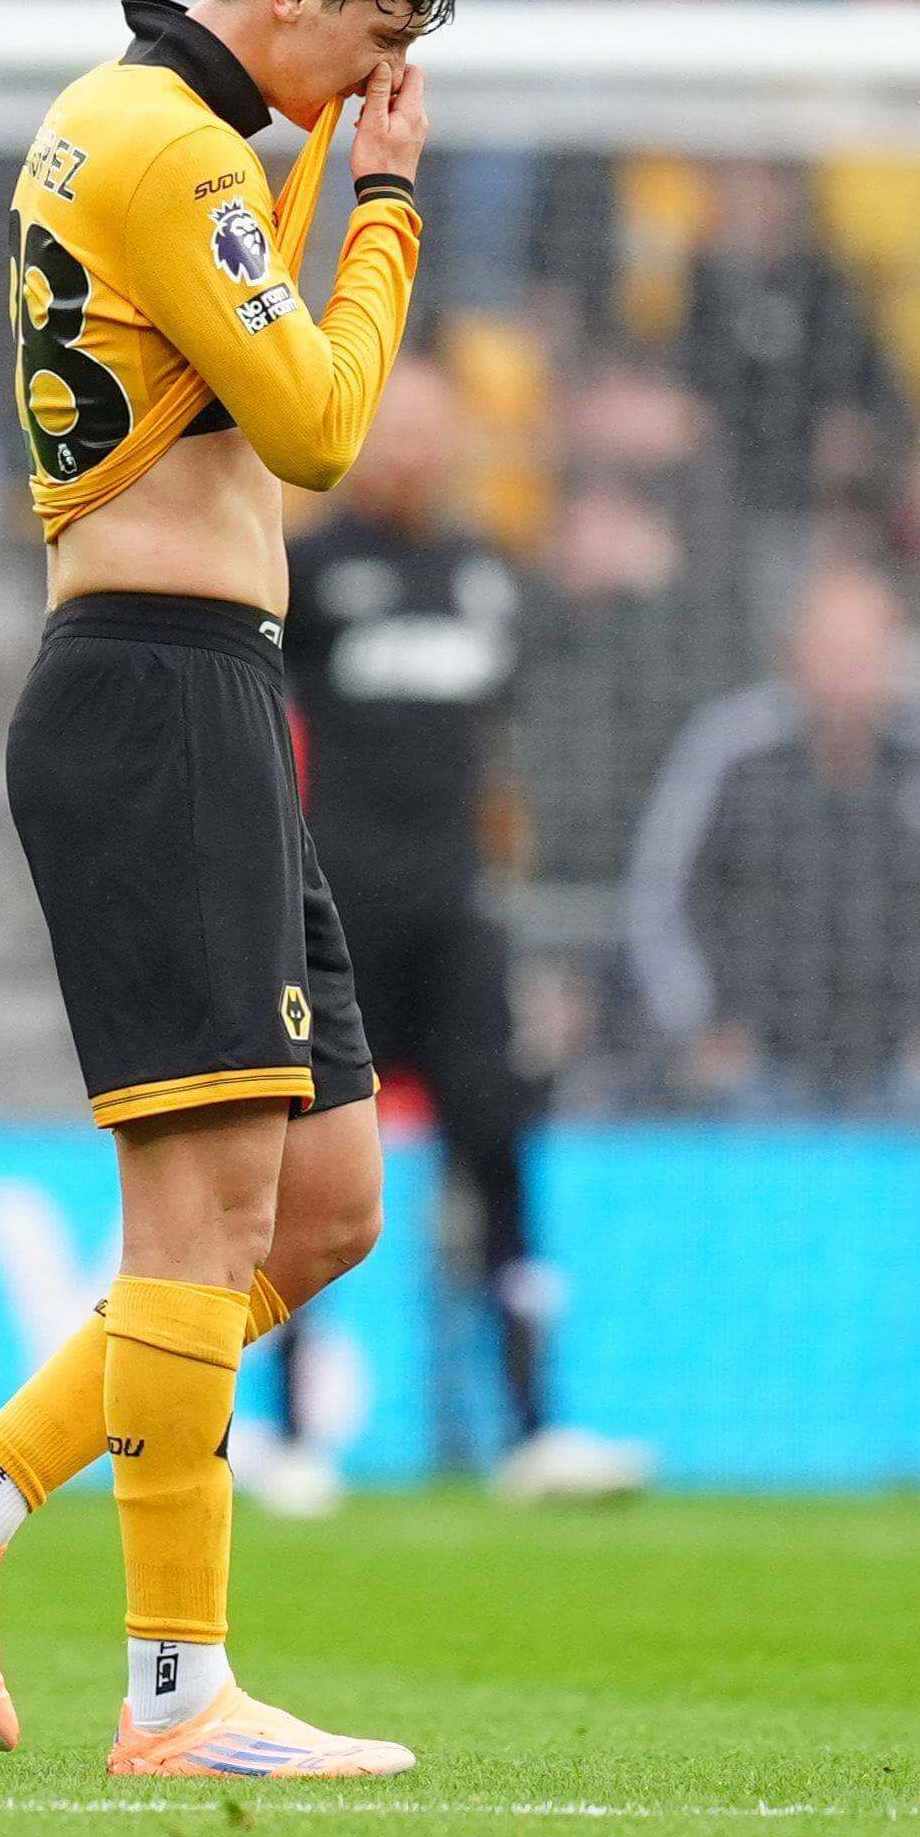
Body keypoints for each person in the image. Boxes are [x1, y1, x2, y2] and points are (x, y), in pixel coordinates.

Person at [0, 0, 462, 1782]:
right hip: (149, 697)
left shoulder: (163, 124)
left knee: (327, 1200)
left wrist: (313, 162)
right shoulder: (172, 147)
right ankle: (179, 1693)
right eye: (367, 42)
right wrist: (380, 209)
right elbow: (318, 426)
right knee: (196, 1217)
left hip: (210, 692)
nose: (373, 89)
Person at [279, 359, 650, 1506]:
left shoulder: (490, 576)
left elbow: (559, 708)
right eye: (392, 427)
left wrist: (622, 588)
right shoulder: (307, 572)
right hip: (335, 914)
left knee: (499, 1148)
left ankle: (536, 1427)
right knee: (312, 1164)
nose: (409, 451)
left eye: (431, 430)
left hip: (458, 912)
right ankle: (284, 1432)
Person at [623, 557, 920, 1110]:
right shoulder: (728, 749)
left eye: (865, 654)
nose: (849, 674)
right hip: (757, 1075)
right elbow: (660, 894)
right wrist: (696, 1023)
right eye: (832, 652)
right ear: (793, 654)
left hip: (909, 1078)